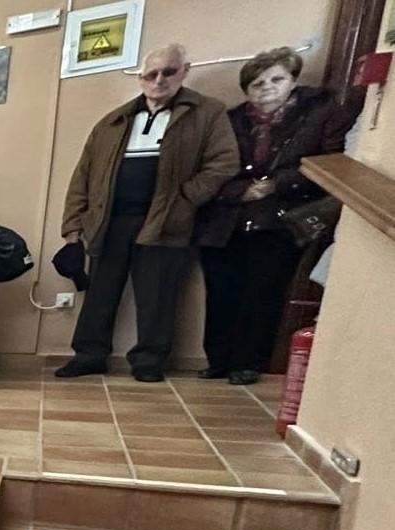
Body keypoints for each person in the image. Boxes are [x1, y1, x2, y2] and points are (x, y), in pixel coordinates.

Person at [59, 43, 240, 382]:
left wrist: (185, 198)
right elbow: (83, 174)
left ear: (184, 72)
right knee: (99, 292)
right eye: (151, 74)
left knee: (157, 295)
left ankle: (148, 360)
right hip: (110, 220)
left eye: (168, 72)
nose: (159, 80)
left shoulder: (208, 113)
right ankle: (89, 355)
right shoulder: (113, 121)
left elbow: (224, 163)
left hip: (166, 219)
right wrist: (73, 223)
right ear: (141, 78)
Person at [196, 47, 349, 385]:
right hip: (226, 219)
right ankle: (219, 360)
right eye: (257, 83)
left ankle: (247, 362)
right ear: (247, 90)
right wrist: (239, 191)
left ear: (292, 81)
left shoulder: (318, 113)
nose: (267, 87)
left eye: (276, 79)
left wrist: (276, 184)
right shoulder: (231, 121)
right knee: (221, 292)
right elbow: (209, 167)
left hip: (280, 218)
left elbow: (330, 163)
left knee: (263, 293)